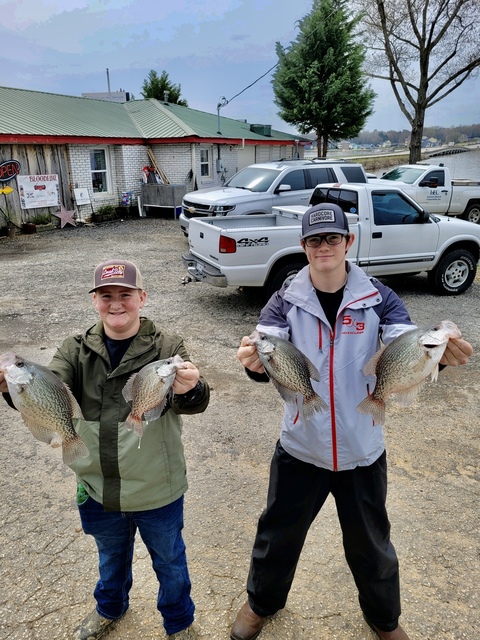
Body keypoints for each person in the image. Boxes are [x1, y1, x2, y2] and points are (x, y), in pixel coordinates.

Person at [230, 204, 473, 640]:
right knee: (277, 536)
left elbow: (402, 340)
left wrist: (435, 353)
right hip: (301, 446)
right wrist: (253, 362)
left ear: (349, 242)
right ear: (304, 247)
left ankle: (385, 619)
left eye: (333, 239)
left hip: (363, 449)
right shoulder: (283, 299)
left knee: (372, 546)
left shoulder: (380, 296)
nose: (324, 247)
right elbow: (269, 349)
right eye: (314, 240)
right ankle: (260, 604)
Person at [1, 259, 209, 640]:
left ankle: (179, 624)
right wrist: (11, 388)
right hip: (99, 486)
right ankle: (109, 609)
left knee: (170, 562)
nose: (116, 303)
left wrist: (191, 388)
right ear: (94, 300)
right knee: (111, 558)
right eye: (106, 295)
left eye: (125, 294)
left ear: (142, 298)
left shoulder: (168, 346)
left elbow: (194, 402)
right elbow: (47, 390)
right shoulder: (74, 349)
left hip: (157, 485)